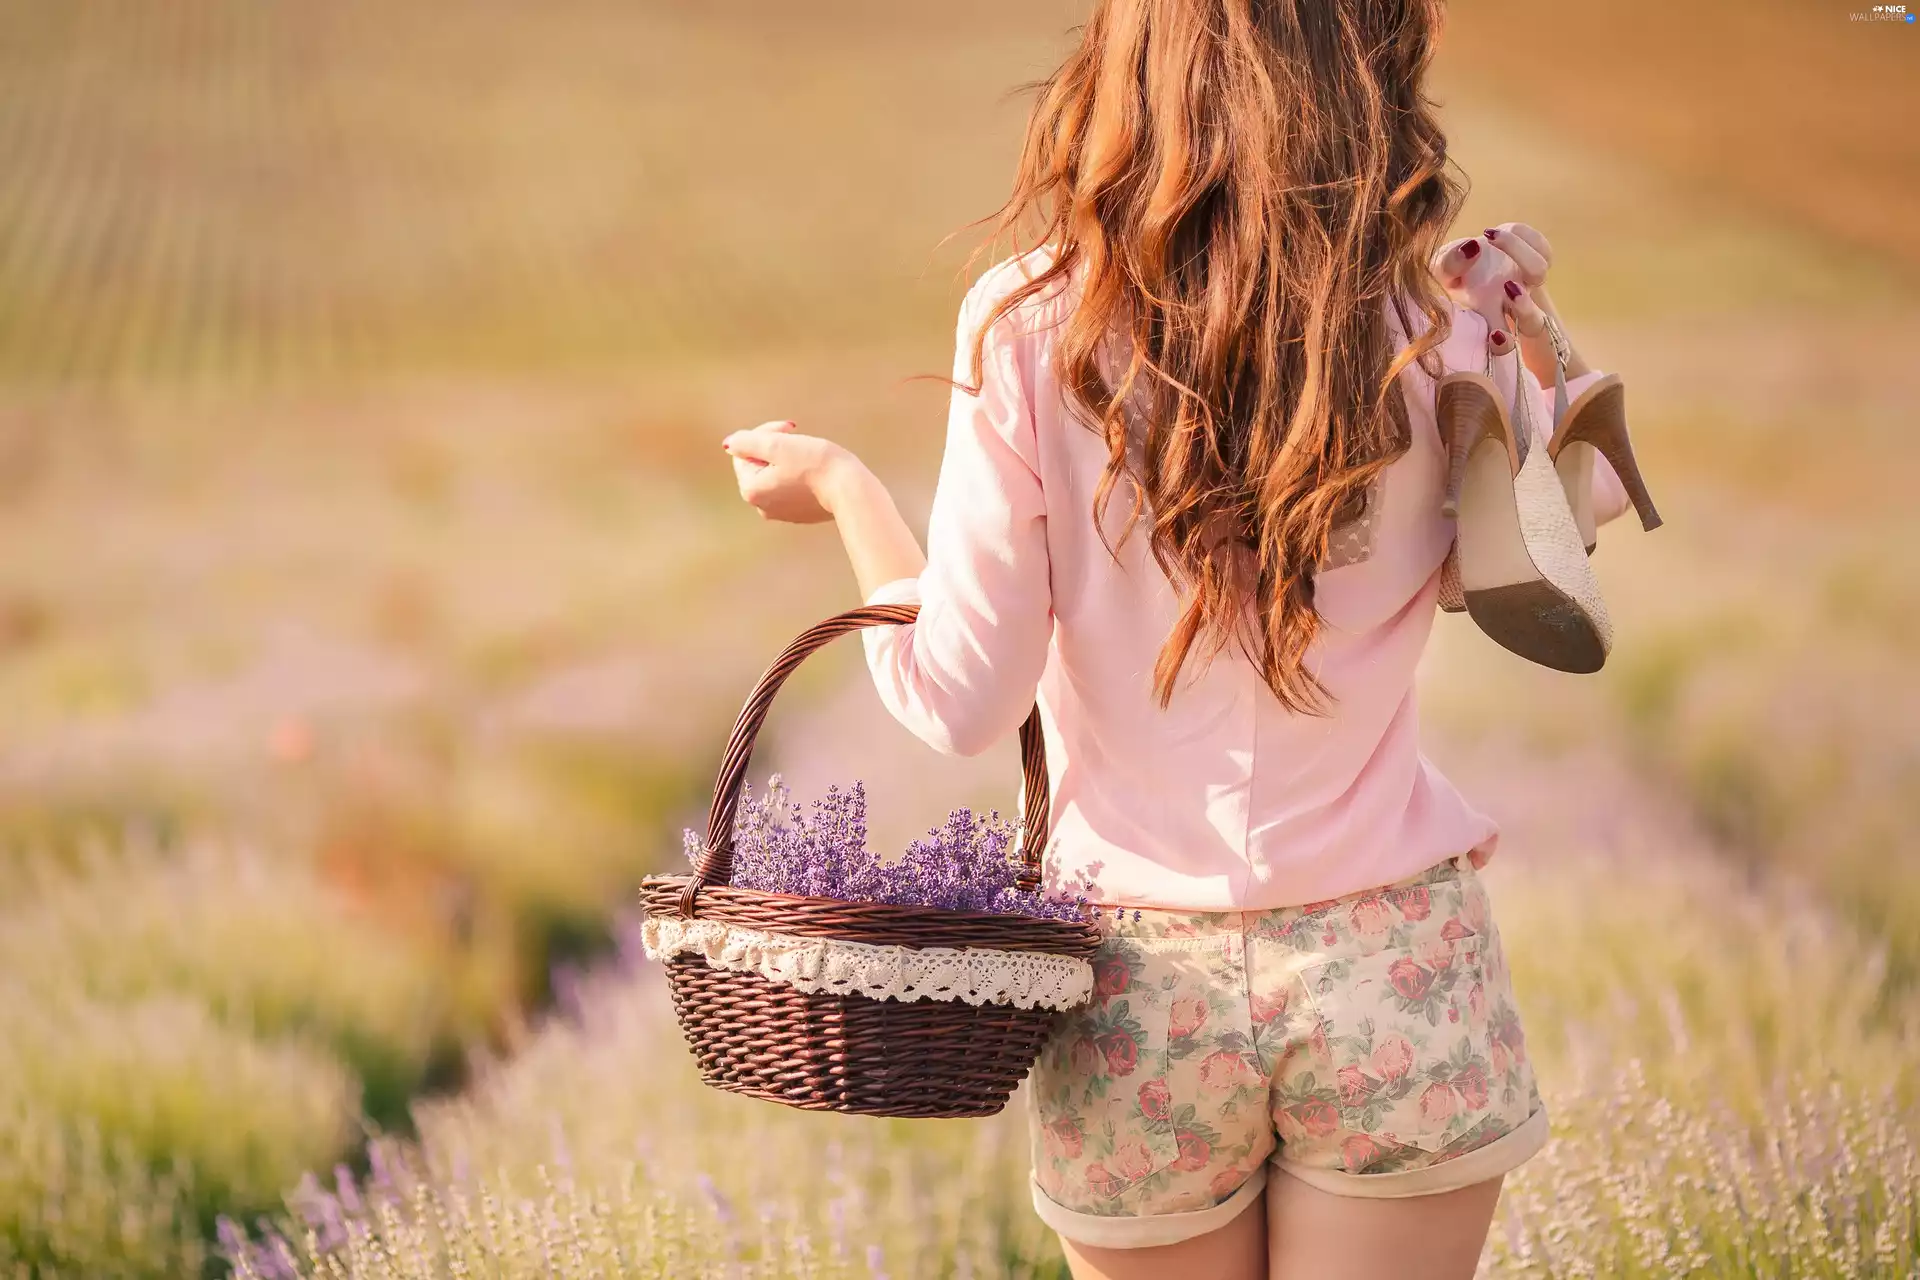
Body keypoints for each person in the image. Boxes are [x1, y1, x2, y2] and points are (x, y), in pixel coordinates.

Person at [720, 3, 1637, 1276]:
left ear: (1129, 73)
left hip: (1139, 997)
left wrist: (843, 492)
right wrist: (1513, 327)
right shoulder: (1428, 326)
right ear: (1365, 72)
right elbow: (1569, 516)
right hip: (1394, 971)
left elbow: (957, 698)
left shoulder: (1030, 322)